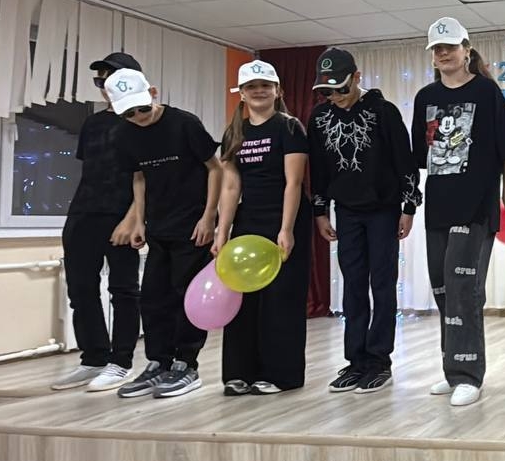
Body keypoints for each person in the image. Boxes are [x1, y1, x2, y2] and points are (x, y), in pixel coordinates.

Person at [412, 17, 505, 407]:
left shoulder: (487, 92)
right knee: (442, 287)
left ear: (466, 50)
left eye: (450, 47)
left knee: (463, 289)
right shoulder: (425, 97)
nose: (443, 54)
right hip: (439, 206)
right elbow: (419, 157)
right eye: (437, 49)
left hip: (475, 207)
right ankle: (452, 366)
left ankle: (468, 374)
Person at [309, 47, 422, 395]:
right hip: (346, 211)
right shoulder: (319, 118)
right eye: (327, 91)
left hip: (384, 210)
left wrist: (409, 207)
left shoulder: (384, 112)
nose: (335, 97)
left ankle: (378, 360)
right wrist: (319, 211)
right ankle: (355, 360)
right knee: (353, 286)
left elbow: (405, 162)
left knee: (382, 284)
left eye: (341, 88)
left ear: (357, 77)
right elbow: (318, 169)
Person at [106, 68, 222, 399]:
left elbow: (214, 169)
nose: (138, 117)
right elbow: (139, 177)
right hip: (158, 225)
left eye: (142, 108)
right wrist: (139, 221)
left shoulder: (184, 123)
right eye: (129, 113)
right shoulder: (123, 135)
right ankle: (159, 362)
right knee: (154, 298)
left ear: (153, 93)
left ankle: (187, 364)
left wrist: (208, 217)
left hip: (193, 226)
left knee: (187, 297)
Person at [213, 60, 313, 395]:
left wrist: (286, 229)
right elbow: (231, 187)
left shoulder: (290, 127)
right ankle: (239, 373)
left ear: (277, 91)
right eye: (251, 87)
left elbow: (293, 182)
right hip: (249, 222)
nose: (259, 91)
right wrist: (222, 232)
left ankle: (281, 375)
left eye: (265, 86)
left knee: (280, 300)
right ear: (241, 93)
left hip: (284, 219)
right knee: (244, 299)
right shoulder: (234, 133)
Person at [51, 52, 143, 393]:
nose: (104, 85)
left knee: (123, 290)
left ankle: (121, 363)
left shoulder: (141, 120)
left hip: (121, 215)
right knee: (80, 289)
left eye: (111, 77)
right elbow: (92, 170)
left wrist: (134, 218)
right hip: (84, 212)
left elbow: (147, 176)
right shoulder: (93, 123)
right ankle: (93, 358)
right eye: (99, 80)